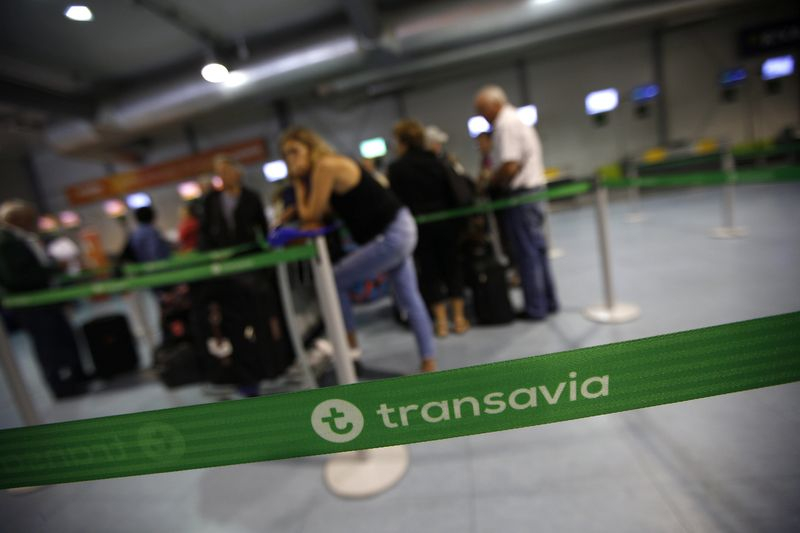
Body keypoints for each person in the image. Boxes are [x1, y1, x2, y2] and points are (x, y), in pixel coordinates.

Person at [280, 126, 437, 372]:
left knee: (334, 280)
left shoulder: (325, 166)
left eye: (295, 151)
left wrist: (298, 183)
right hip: (397, 228)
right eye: (286, 155)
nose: (291, 159)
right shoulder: (328, 166)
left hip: (392, 233)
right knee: (409, 296)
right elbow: (321, 212)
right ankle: (429, 360)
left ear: (310, 148)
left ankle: (350, 347)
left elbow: (312, 214)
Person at [474, 85, 558, 319]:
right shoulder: (516, 119)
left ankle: (536, 308)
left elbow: (510, 166)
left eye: (481, 109)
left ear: (494, 105)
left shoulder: (505, 124)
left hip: (522, 195)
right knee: (538, 250)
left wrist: (491, 183)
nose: (481, 115)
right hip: (534, 191)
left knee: (527, 253)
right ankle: (548, 302)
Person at [389, 119, 470, 337]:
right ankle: (459, 318)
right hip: (447, 224)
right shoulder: (437, 161)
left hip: (418, 228)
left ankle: (441, 322)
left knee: (428, 272)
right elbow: (455, 193)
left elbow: (396, 202)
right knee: (452, 267)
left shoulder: (396, 169)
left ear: (401, 141)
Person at [0, 200, 89, 398]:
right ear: (18, 219)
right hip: (32, 304)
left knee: (62, 338)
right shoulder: (6, 241)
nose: (34, 222)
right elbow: (16, 277)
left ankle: (76, 377)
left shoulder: (21, 238)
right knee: (47, 345)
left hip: (46, 300)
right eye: (30, 218)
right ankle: (61, 385)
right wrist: (51, 270)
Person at [199, 155, 268, 250]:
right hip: (223, 250)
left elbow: (262, 224)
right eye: (220, 173)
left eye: (226, 171)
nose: (223, 176)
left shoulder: (252, 197)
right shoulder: (211, 200)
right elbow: (205, 229)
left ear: (237, 172)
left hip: (250, 248)